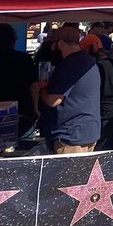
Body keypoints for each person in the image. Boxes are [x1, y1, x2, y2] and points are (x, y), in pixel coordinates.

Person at [39, 25, 102, 154]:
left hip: (70, 134)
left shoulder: (68, 65)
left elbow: (53, 100)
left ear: (61, 43)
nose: (51, 48)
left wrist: (41, 91)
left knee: (69, 174)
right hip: (88, 129)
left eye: (52, 44)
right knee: (83, 173)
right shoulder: (88, 60)